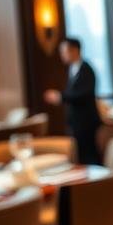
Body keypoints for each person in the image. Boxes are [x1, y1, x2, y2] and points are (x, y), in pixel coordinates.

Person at [44, 37, 102, 165]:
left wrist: (60, 97)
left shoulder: (86, 69)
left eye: (64, 51)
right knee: (80, 154)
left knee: (90, 154)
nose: (62, 55)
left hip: (86, 121)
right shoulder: (73, 69)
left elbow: (84, 94)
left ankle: (99, 181)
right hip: (76, 121)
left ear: (75, 50)